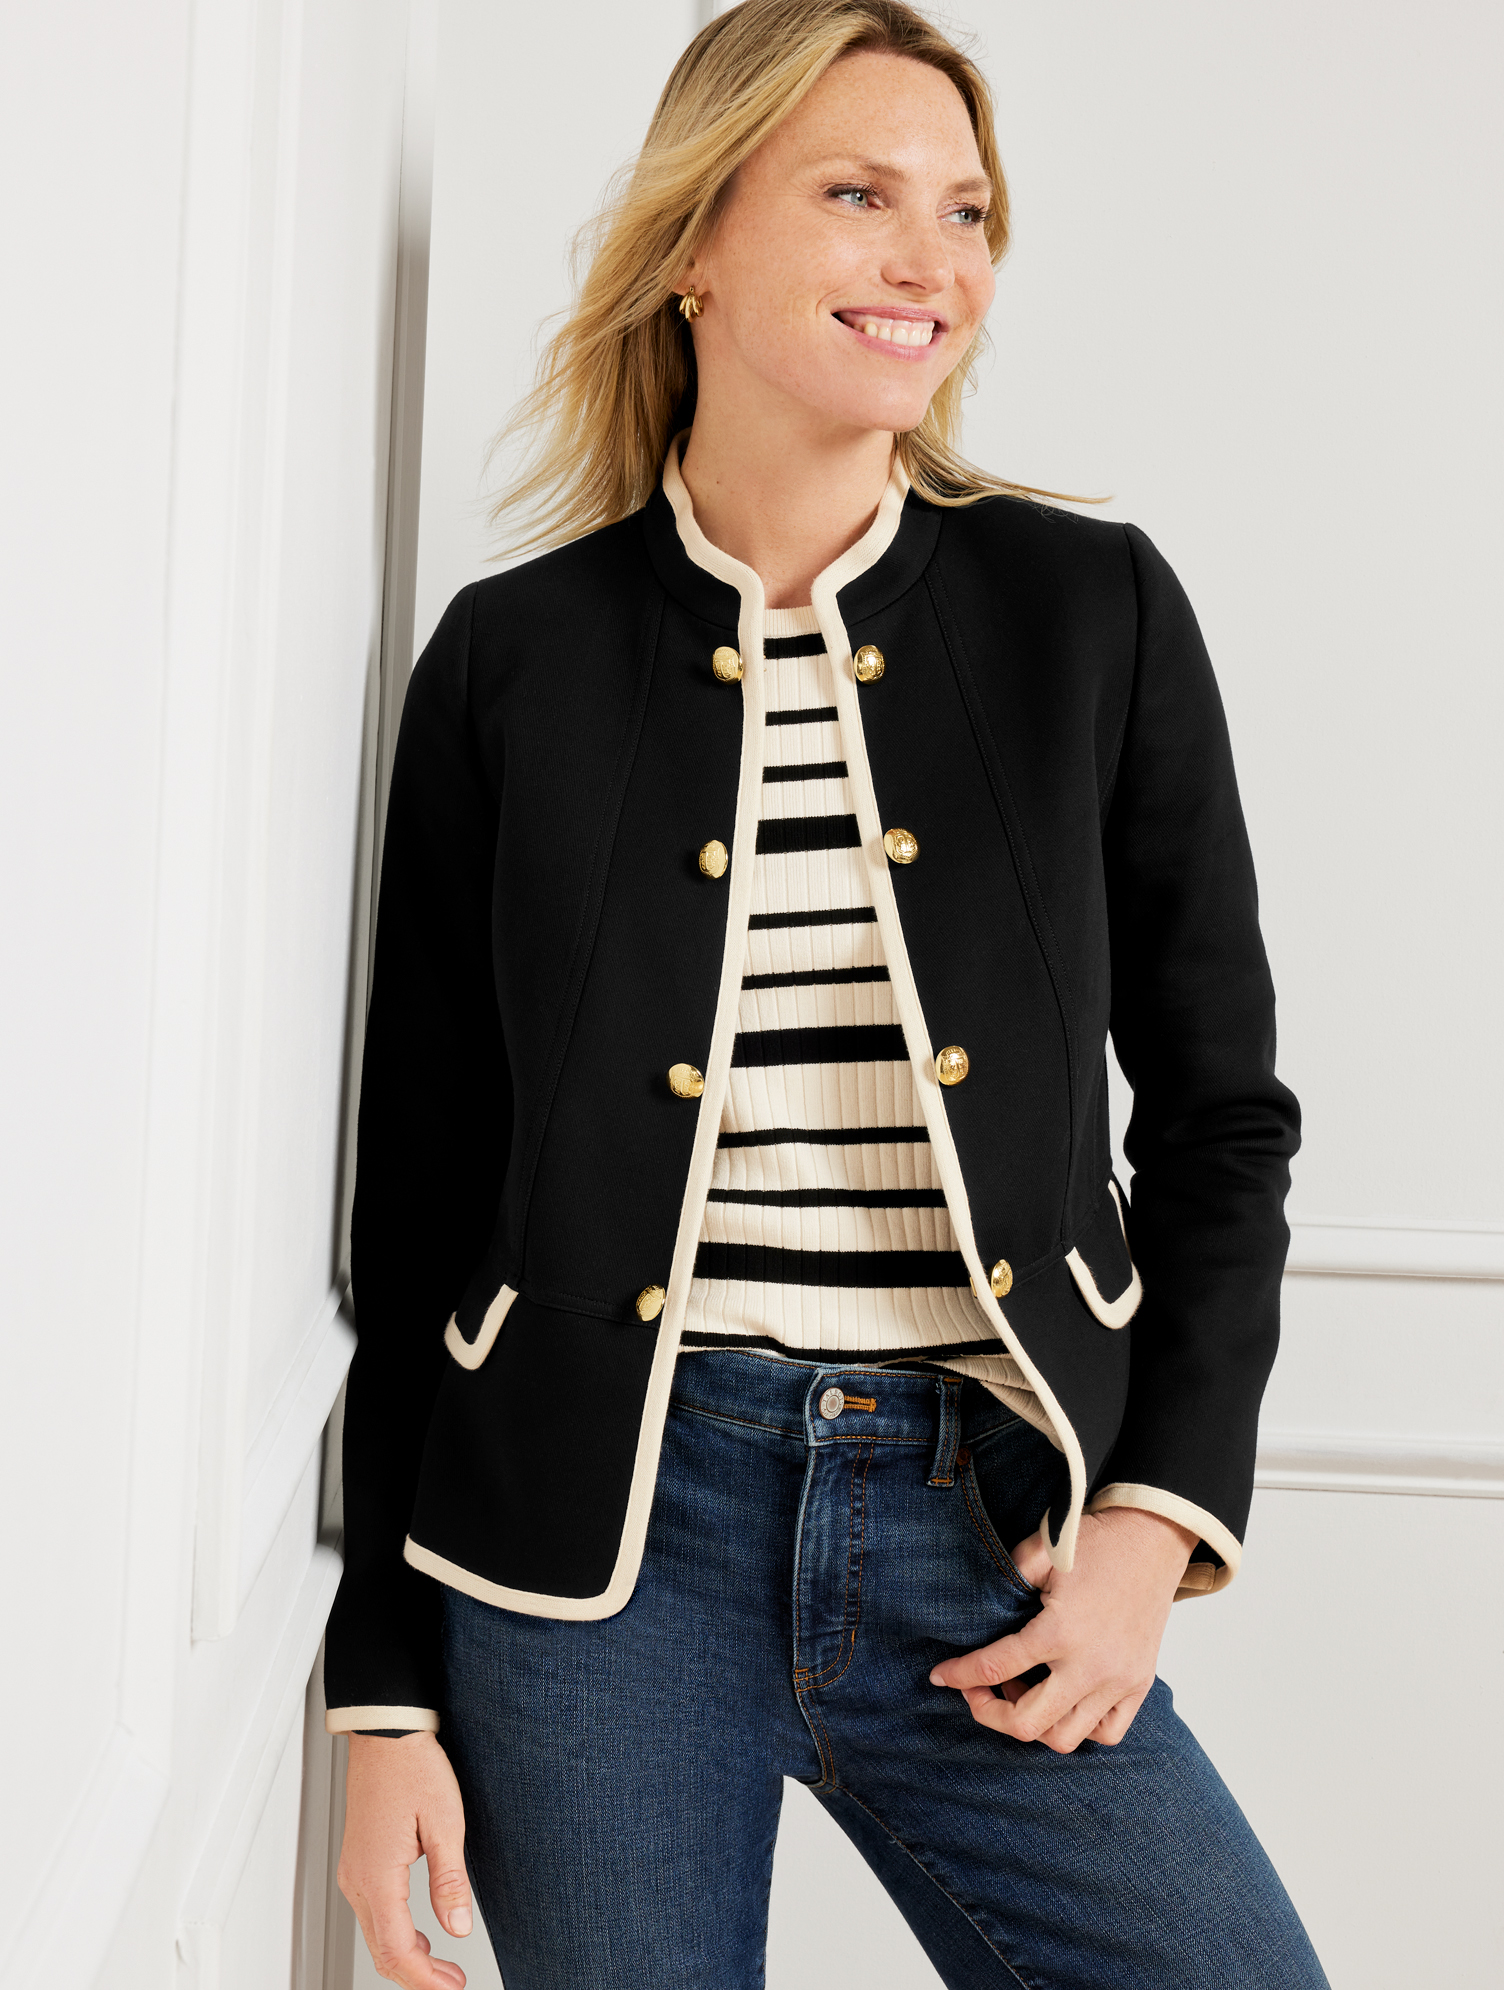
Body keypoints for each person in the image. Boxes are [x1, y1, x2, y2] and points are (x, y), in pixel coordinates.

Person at [324, 3, 1326, 1985]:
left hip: (984, 1528)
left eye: (966, 211)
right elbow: (422, 1203)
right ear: (695, 239)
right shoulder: (510, 663)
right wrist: (381, 1698)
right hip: (595, 1560)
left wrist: (1154, 1520)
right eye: (860, 194)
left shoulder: (1090, 613)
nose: (929, 259)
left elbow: (1224, 1113)